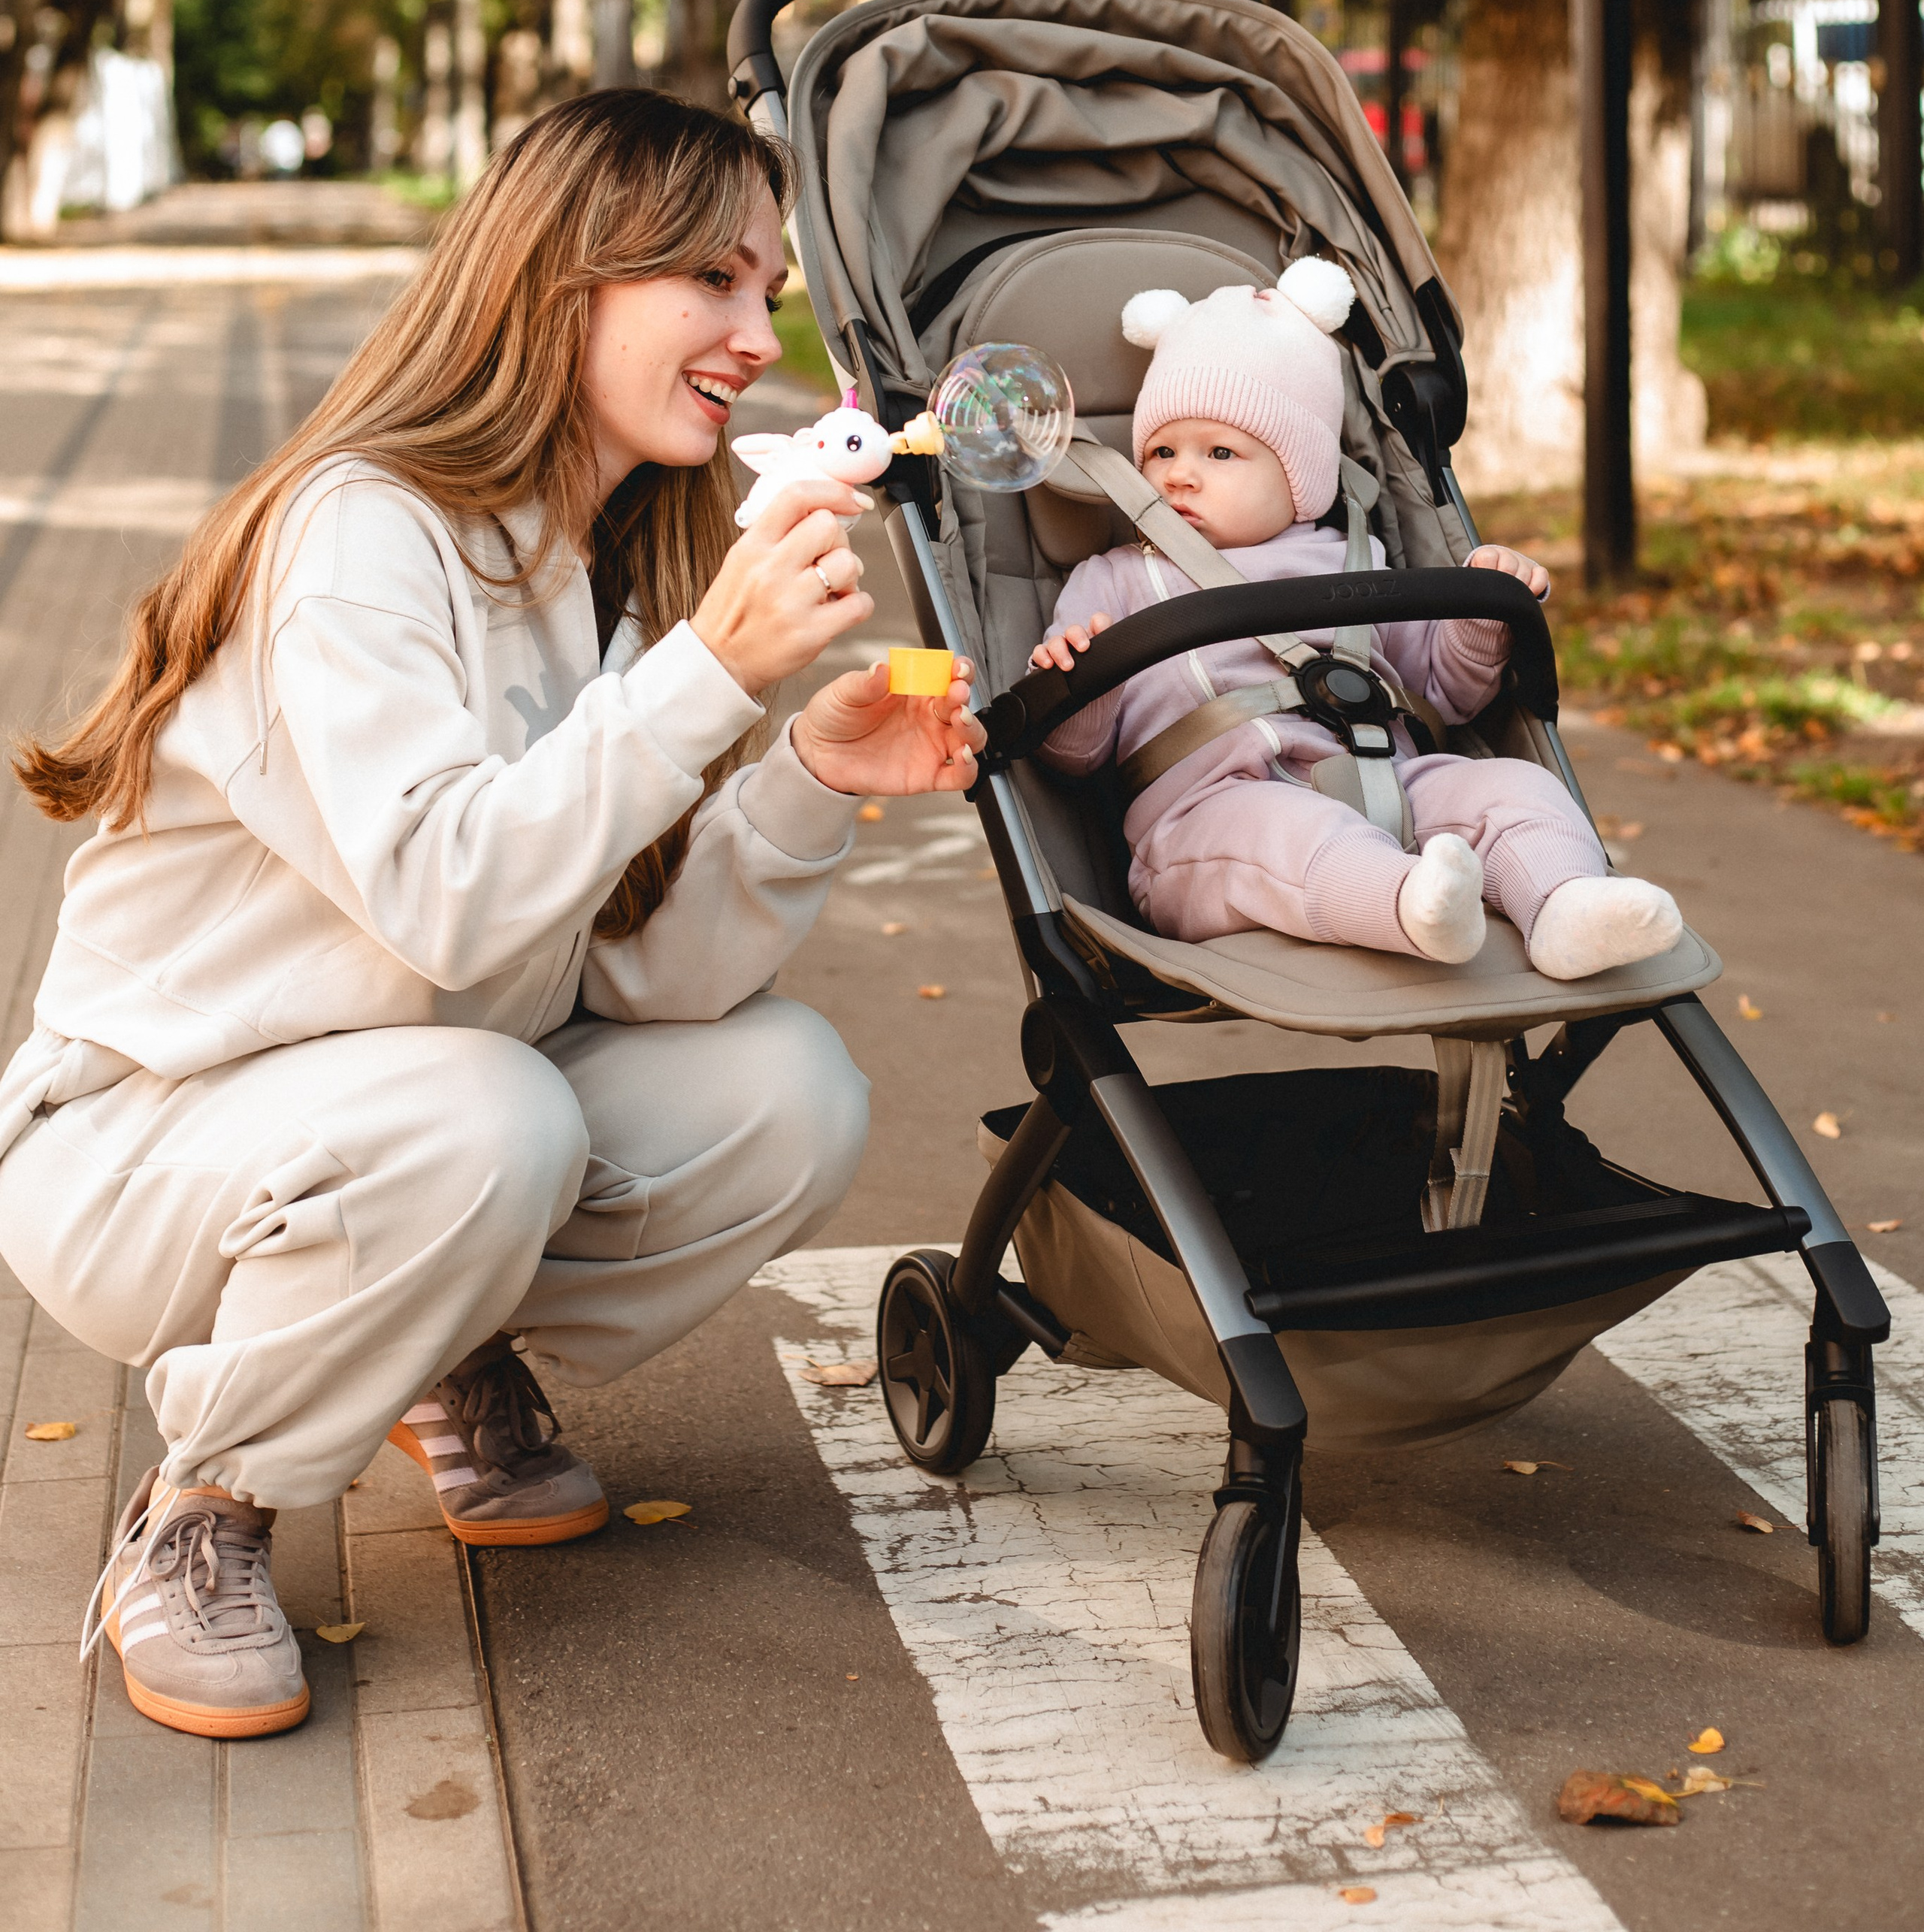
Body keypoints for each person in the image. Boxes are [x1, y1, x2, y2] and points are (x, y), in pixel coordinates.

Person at [0, 89, 979, 1743]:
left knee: (787, 1091)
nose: (758, 336)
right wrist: (705, 676)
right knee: (493, 1112)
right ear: (565, 277)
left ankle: (424, 1349)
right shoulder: (357, 533)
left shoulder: (608, 564)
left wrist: (805, 769)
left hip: (409, 1107)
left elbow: (636, 972)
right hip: (143, 1152)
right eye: (716, 283)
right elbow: (449, 901)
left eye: (772, 294)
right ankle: (202, 1512)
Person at [1029, 259, 1681, 978]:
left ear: (1300, 475)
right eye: (1160, 451)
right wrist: (1078, 677)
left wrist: (1479, 617)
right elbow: (1073, 757)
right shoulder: (1115, 580)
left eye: (1221, 453)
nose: (1180, 473)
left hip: (1388, 785)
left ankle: (1565, 905)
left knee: (1514, 788)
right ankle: (1412, 905)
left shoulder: (1354, 564)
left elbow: (1443, 693)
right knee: (1284, 831)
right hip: (1209, 820)